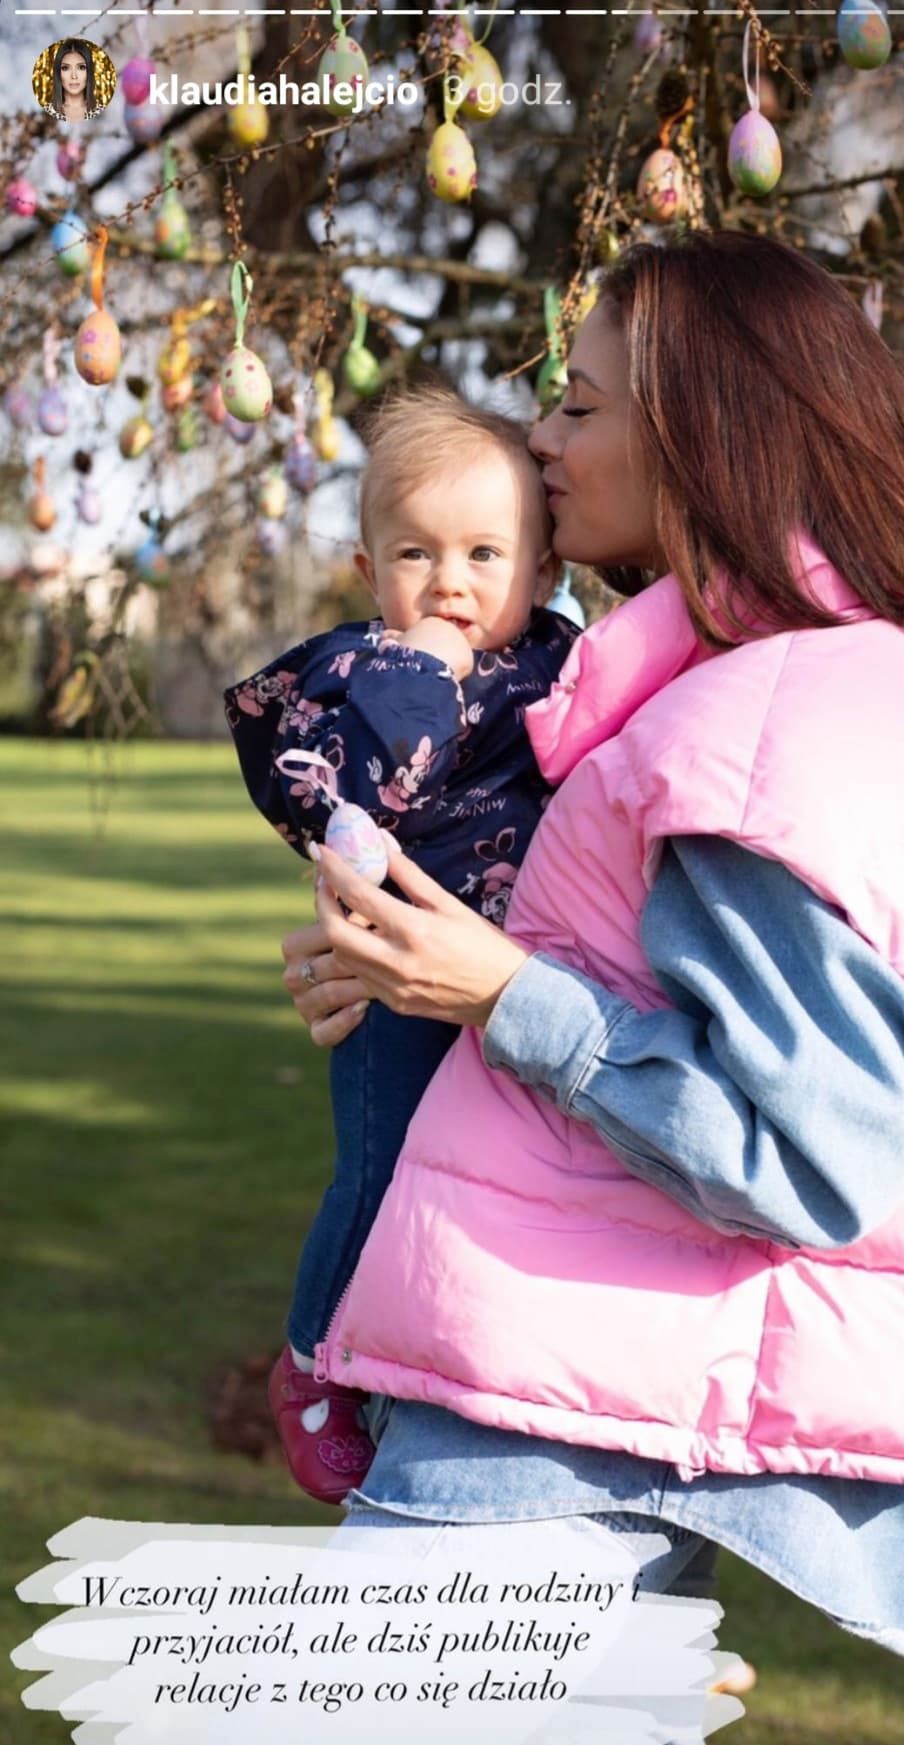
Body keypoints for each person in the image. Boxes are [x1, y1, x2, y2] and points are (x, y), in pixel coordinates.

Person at [133, 231, 904, 1745]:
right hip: (627, 1392)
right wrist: (423, 979)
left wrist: (504, 992)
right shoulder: (780, 692)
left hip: (548, 1435)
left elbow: (809, 1157)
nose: (543, 443)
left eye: (576, 407)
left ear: (702, 431)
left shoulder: (759, 732)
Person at [224, 387, 574, 1502]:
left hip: (510, 983)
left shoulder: (562, 664)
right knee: (378, 1176)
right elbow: (354, 788)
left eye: (485, 553)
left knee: (482, 1192)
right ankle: (315, 1356)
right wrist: (421, 666)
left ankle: (423, 1357)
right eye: (415, 554)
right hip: (393, 986)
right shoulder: (356, 678)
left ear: (546, 573)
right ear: (373, 573)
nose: (451, 583)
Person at [50, 39, 96, 122]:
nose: (74, 76)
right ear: (58, 72)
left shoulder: (100, 112)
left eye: (81, 67)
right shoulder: (48, 115)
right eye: (65, 68)